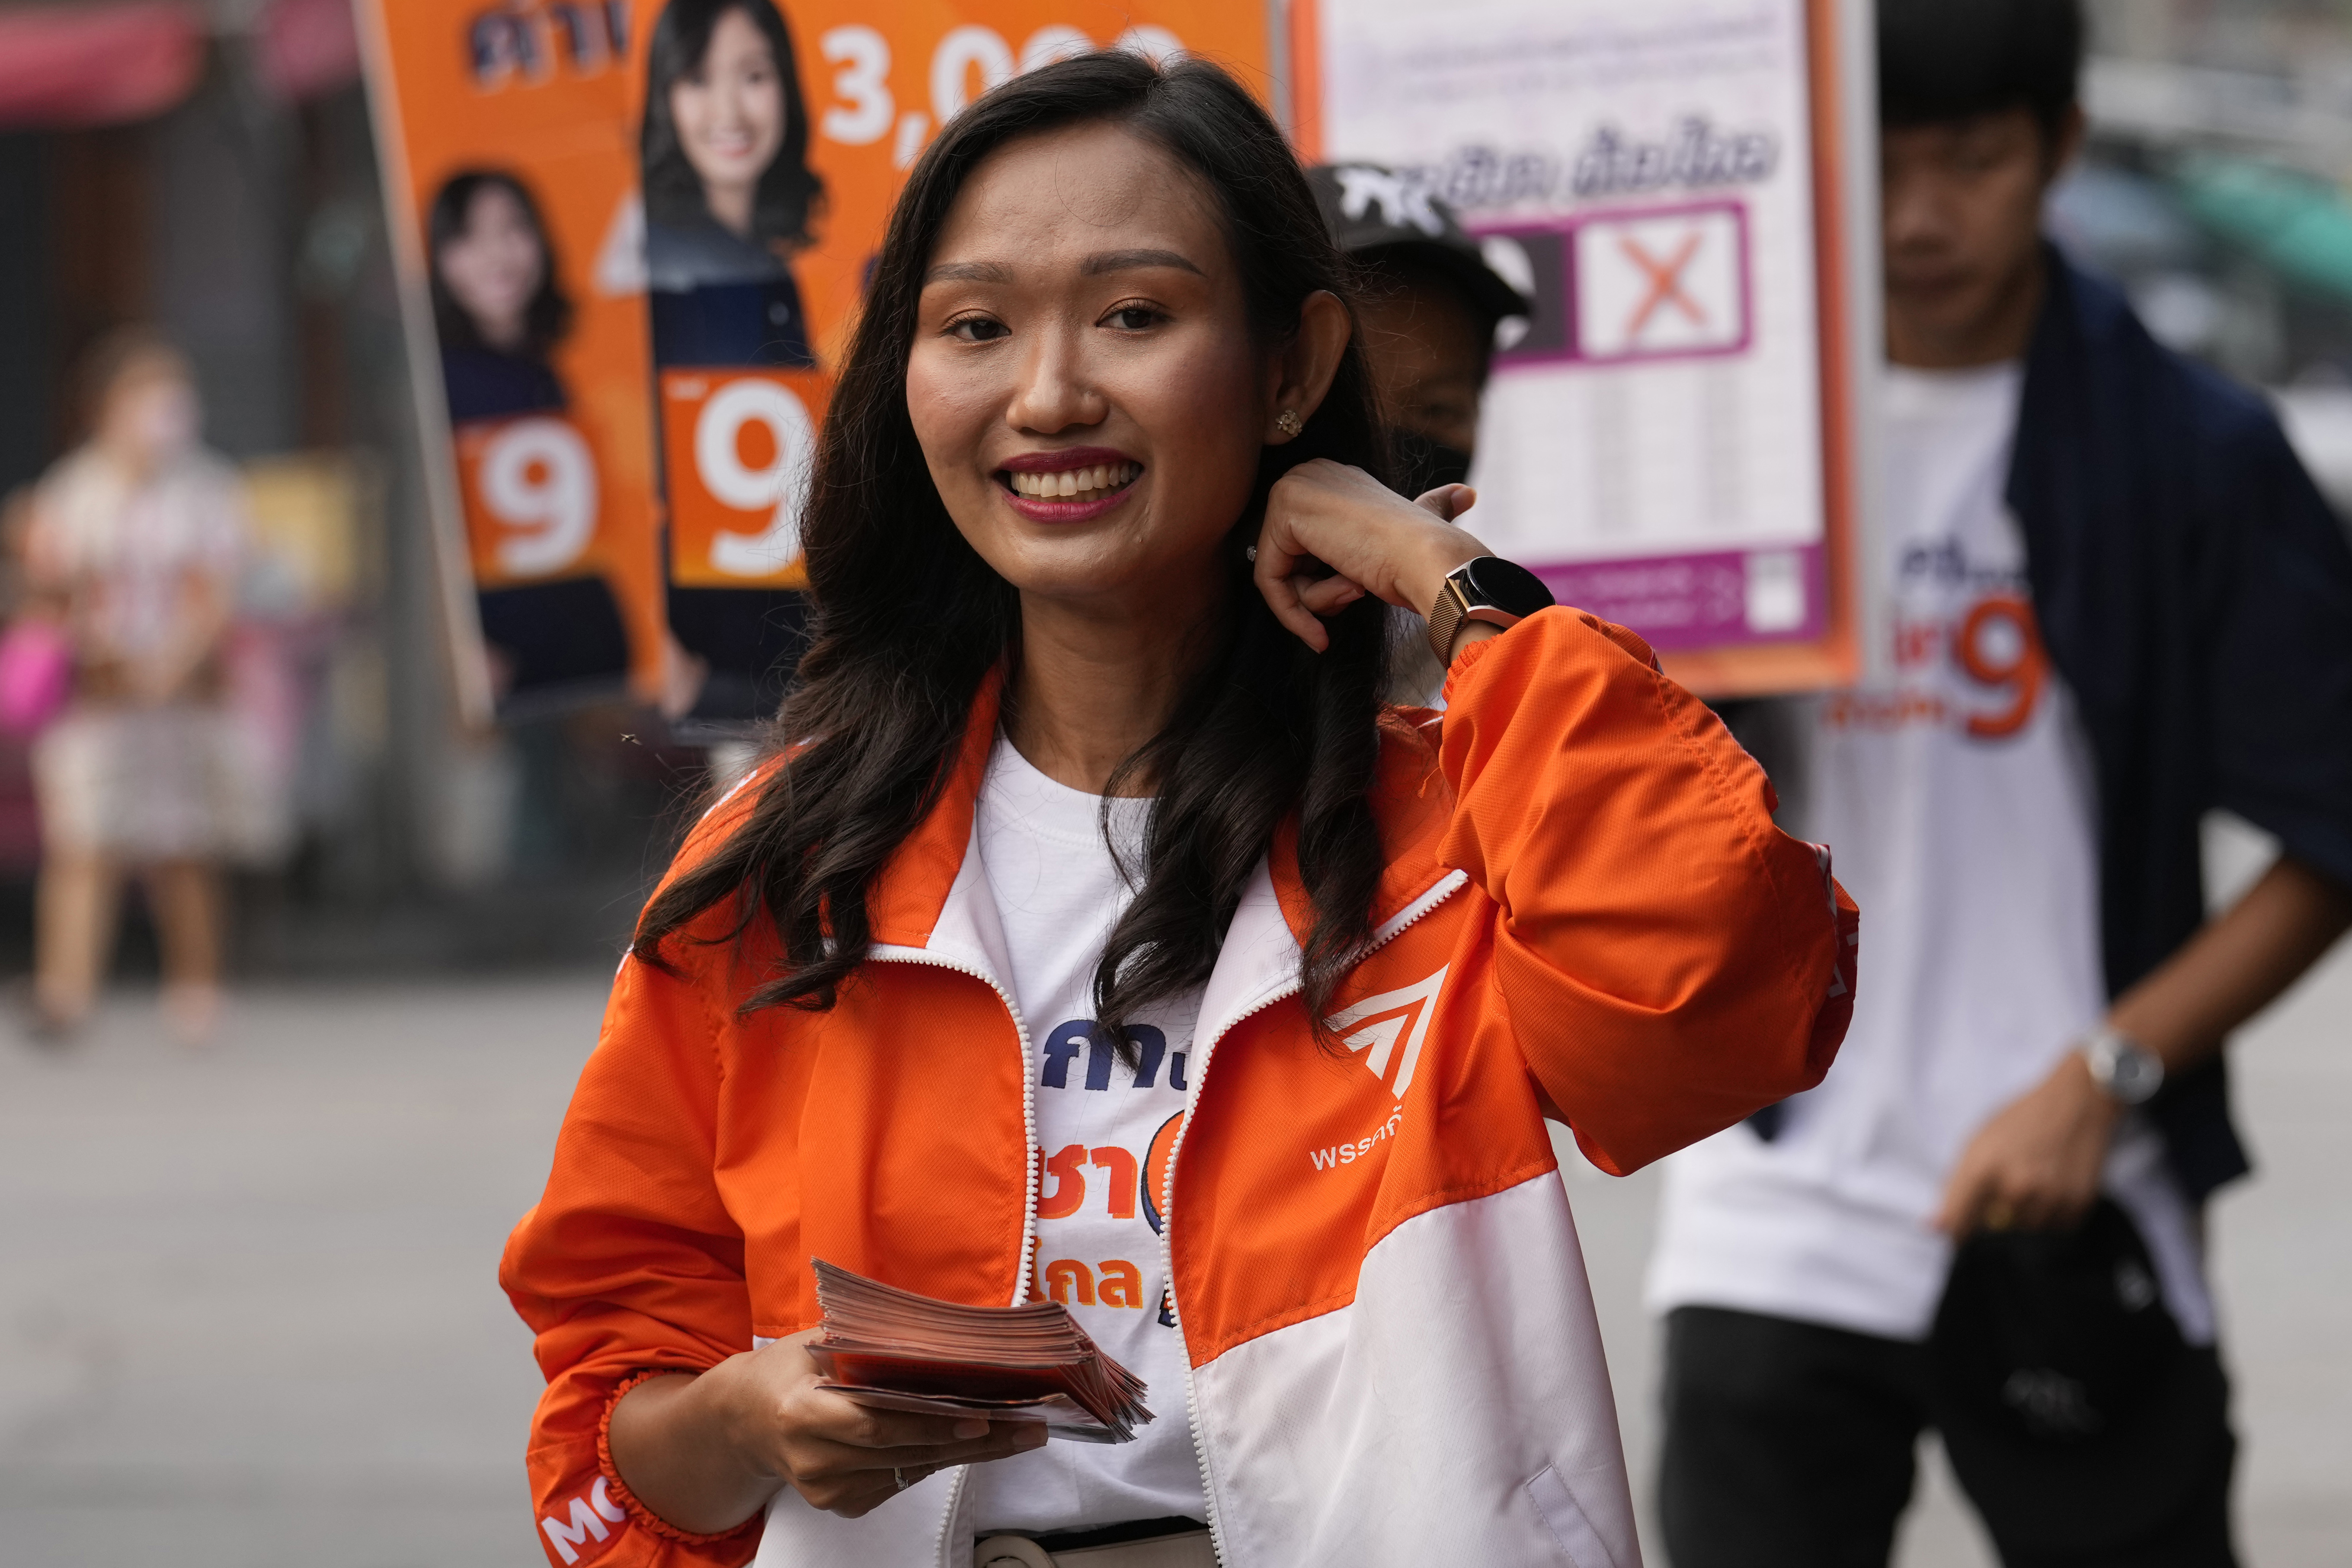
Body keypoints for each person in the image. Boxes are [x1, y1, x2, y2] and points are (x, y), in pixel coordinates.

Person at [501, 50, 1857, 1568]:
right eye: (974, 326)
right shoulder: (787, 863)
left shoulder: (1448, 824)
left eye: (1132, 314)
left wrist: (1436, 573)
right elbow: (609, 1441)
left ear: (1290, 366)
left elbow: (1723, 997)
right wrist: (753, 1419)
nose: (1048, 392)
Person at [1644, 5, 2352, 1567]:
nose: (1916, 215)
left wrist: (2108, 1074)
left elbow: (2331, 826)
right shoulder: (1707, 431)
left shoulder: (2190, 450)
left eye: (1968, 161)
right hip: (1771, 1208)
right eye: (1878, 164)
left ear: (2060, 150)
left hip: (2074, 1195)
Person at [21, 332, 253, 1043]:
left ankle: (196, 989)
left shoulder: (207, 487)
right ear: (109, 407)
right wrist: (107, 645)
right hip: (100, 692)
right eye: (147, 394)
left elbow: (219, 587)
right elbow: (51, 589)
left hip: (180, 695)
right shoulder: (76, 488)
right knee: (85, 841)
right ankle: (65, 992)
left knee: (183, 846)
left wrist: (176, 661)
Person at [640, 0, 826, 724]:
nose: (729, 109)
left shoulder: (776, 269)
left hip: (792, 668)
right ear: (663, 100)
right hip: (704, 678)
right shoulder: (646, 274)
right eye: (695, 80)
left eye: (753, 75)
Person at [1307, 160, 1531, 702]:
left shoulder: (1520, 666)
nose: (1388, 447)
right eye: (1348, 403)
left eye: (1435, 410)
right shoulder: (1138, 651)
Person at [427, 169, 632, 712]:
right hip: (511, 678)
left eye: (513, 228)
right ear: (439, 258)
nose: (497, 254)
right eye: (469, 236)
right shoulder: (438, 384)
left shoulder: (544, 370)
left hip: (589, 662)